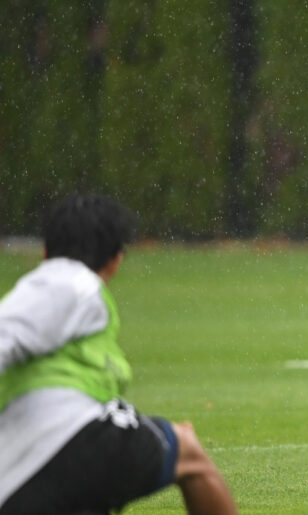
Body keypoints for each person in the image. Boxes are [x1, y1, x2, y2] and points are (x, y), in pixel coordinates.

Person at [0, 193, 239, 514]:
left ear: (44, 251)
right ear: (116, 259)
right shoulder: (68, 282)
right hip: (66, 439)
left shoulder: (54, 289)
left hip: (18, 477)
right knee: (188, 452)